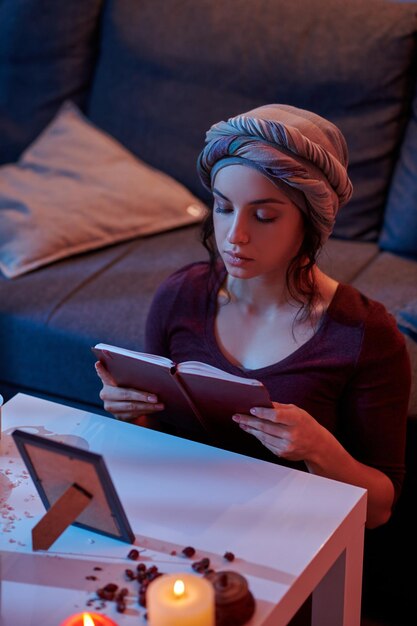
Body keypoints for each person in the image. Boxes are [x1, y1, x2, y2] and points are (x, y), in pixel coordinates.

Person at [96, 104, 411, 531]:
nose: (234, 236)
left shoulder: (364, 335)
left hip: (289, 535)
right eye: (224, 208)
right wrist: (131, 410)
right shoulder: (181, 295)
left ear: (310, 223)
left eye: (264, 215)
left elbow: (379, 510)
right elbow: (154, 433)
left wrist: (317, 448)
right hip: (180, 522)